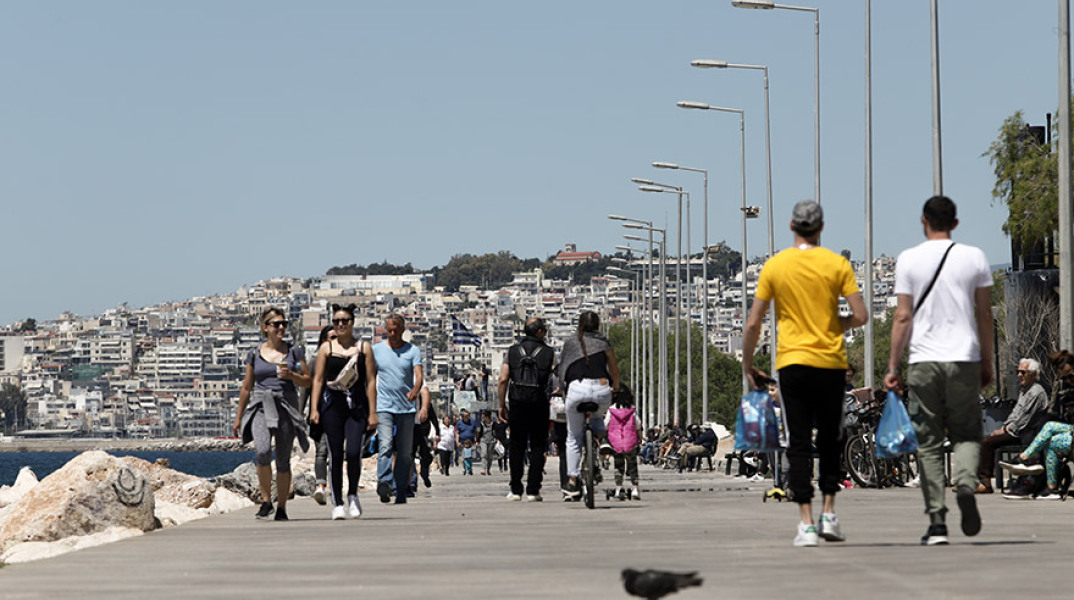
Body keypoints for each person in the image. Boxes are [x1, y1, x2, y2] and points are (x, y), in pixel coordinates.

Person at [742, 200, 867, 547]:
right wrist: (832, 323)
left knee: (797, 442)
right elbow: (860, 315)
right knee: (830, 438)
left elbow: (753, 322)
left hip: (792, 364)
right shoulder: (836, 264)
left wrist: (748, 364)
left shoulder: (776, 266)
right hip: (829, 362)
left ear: (792, 226)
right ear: (821, 228)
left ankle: (806, 523)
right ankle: (829, 512)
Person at [885, 195, 995, 546]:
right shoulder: (974, 257)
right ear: (955, 223)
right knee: (966, 432)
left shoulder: (908, 260)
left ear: (923, 221)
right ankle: (965, 483)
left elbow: (902, 317)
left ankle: (936, 523)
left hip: (923, 361)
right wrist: (987, 361)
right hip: (963, 358)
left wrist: (892, 366)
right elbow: (984, 315)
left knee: (929, 442)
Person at [233, 307, 312, 521]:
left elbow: (308, 379)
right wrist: (239, 417)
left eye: (283, 324)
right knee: (262, 451)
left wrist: (293, 375)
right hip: (261, 405)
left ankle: (282, 507)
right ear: (265, 327)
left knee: (284, 459)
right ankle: (266, 500)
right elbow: (247, 387)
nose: (281, 327)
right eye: (276, 324)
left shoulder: (294, 352)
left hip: (286, 405)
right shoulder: (254, 354)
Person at [309, 303, 377, 520]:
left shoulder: (363, 348)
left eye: (344, 321)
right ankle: (337, 502)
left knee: (355, 452)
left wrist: (373, 412)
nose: (340, 325)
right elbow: (317, 380)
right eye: (336, 321)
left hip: (357, 406)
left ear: (352, 322)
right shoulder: (326, 349)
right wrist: (314, 410)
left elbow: (371, 380)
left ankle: (353, 495)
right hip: (332, 407)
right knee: (335, 454)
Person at [557, 311, 621, 501]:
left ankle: (572, 478)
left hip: (577, 389)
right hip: (601, 388)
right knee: (598, 415)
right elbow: (614, 369)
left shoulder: (570, 342)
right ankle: (603, 440)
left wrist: (562, 388)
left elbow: (562, 371)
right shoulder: (604, 342)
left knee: (573, 437)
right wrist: (616, 387)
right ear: (598, 325)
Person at [1000, 351, 1074, 499]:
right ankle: (1051, 488)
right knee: (1050, 438)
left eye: (1071, 376)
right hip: (1070, 433)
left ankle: (1025, 459)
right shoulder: (1064, 388)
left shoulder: (1036, 390)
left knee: (1050, 427)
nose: (1068, 380)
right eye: (1064, 377)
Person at [498, 317, 555, 502]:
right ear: (539, 332)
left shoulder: (513, 351)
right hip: (539, 402)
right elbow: (556, 376)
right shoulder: (549, 352)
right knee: (538, 446)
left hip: (517, 402)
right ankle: (533, 490)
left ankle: (515, 489)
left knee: (516, 445)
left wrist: (501, 405)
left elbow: (503, 379)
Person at [975, 358, 1048, 494]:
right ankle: (976, 480)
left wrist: (1006, 429)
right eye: (1018, 372)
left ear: (1033, 374)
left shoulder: (1036, 392)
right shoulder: (1025, 390)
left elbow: (1024, 418)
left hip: (1026, 434)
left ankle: (985, 483)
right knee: (983, 439)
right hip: (1016, 431)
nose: (1019, 375)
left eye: (1023, 372)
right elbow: (1015, 413)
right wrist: (1004, 427)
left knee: (987, 442)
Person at [373, 314, 424, 504]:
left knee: (404, 452)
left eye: (396, 330)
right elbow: (369, 378)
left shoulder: (413, 351)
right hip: (384, 406)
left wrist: (415, 390)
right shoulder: (377, 350)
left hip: (407, 408)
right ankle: (384, 483)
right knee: (385, 445)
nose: (392, 334)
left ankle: (400, 488)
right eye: (389, 330)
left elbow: (419, 375)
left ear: (403, 330)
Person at [303, 326, 335, 505]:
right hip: (319, 414)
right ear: (323, 341)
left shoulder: (344, 361)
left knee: (337, 452)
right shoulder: (314, 363)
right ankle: (321, 486)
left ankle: (335, 487)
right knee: (321, 452)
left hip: (340, 414)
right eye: (331, 338)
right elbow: (305, 389)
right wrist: (301, 413)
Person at [606, 387, 642, 501]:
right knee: (632, 465)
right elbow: (638, 425)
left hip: (616, 442)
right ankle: (635, 488)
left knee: (618, 466)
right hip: (630, 441)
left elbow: (606, 424)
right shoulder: (632, 410)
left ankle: (618, 489)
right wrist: (640, 438)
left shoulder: (611, 409)